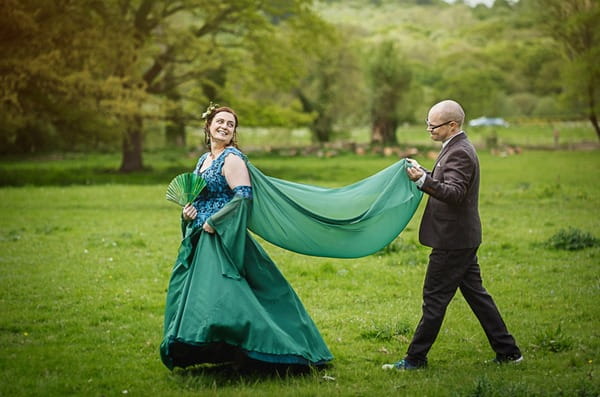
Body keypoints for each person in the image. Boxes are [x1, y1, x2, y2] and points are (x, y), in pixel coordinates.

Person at [160, 104, 333, 370]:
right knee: (203, 296)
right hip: (199, 236)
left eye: (230, 124)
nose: (225, 127)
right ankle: (214, 347)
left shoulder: (232, 159)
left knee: (230, 296)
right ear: (208, 127)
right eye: (220, 121)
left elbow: (243, 197)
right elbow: (199, 196)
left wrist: (215, 222)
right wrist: (188, 212)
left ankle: (276, 349)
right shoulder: (203, 160)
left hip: (220, 236)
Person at [383, 99, 522, 371]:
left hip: (452, 241)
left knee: (434, 299)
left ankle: (415, 359)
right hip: (461, 239)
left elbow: (455, 193)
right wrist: (423, 171)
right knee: (477, 297)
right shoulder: (455, 147)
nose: (429, 130)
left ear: (452, 125)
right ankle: (509, 352)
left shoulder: (460, 152)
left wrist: (421, 181)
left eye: (433, 126)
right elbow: (447, 182)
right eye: (427, 124)